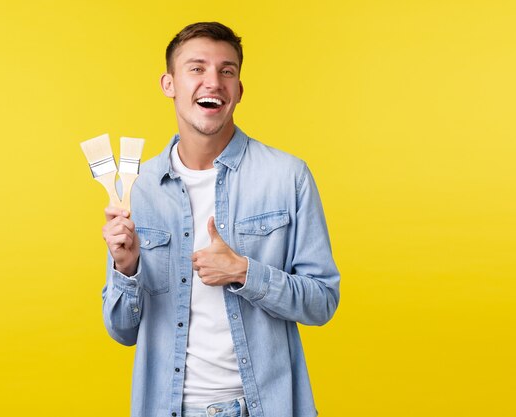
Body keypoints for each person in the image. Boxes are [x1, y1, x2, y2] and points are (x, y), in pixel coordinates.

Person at [102, 22, 340, 417]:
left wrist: (244, 272)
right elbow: (122, 331)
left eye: (226, 71)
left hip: (263, 407)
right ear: (169, 84)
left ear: (239, 90)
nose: (213, 81)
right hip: (166, 406)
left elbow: (322, 302)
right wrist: (126, 269)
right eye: (196, 68)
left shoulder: (288, 177)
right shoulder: (138, 189)